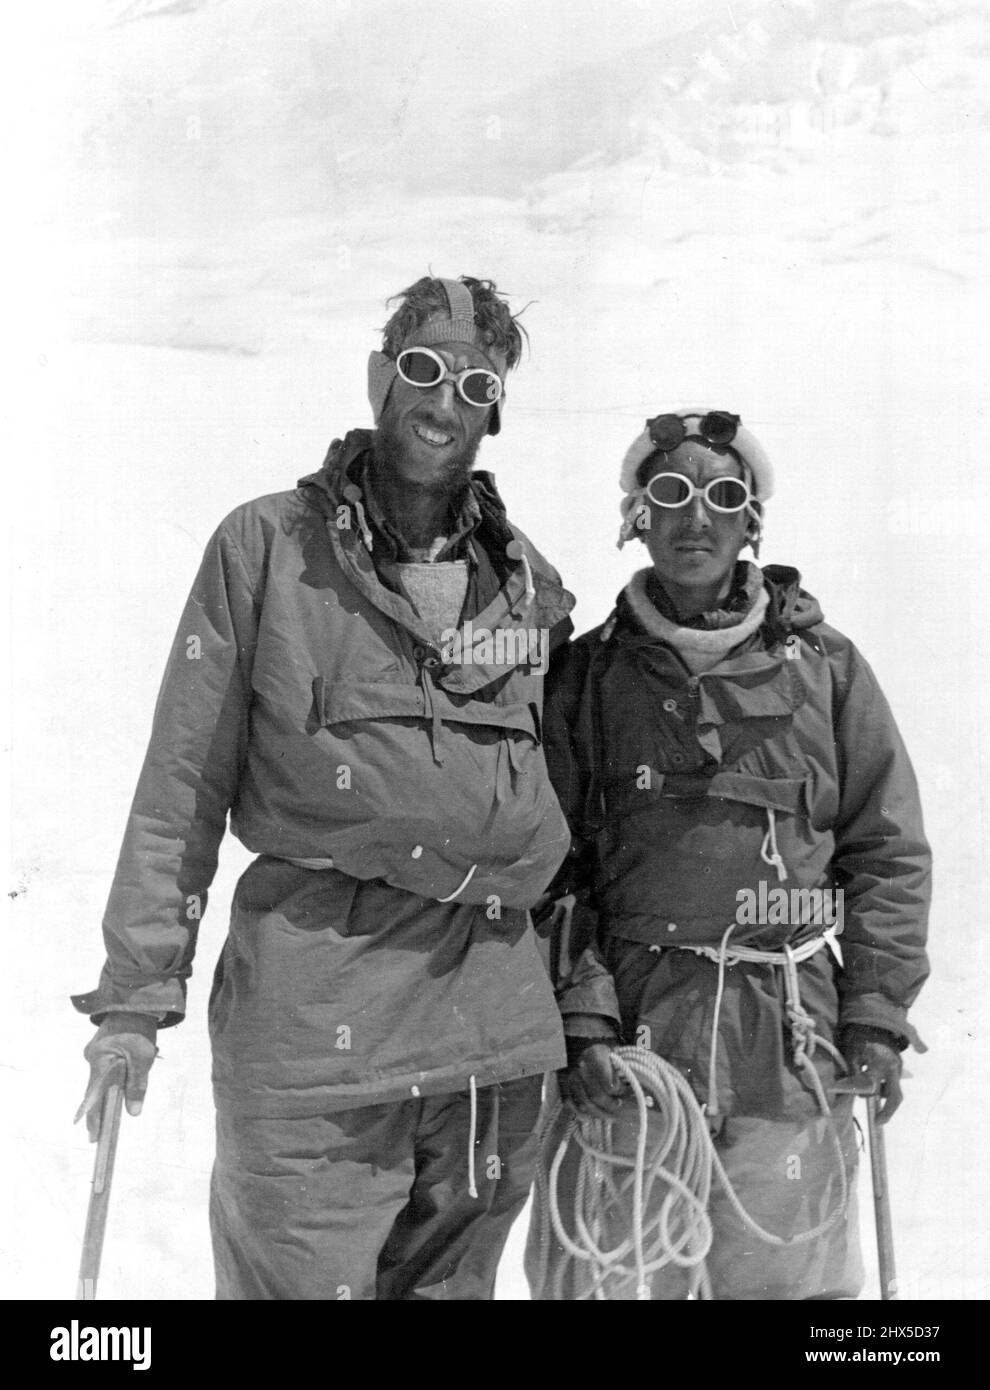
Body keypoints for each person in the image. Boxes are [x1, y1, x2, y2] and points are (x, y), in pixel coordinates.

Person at [74, 275, 576, 1301]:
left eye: (472, 383)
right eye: (423, 371)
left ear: (494, 410)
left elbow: (576, 823)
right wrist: (135, 998)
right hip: (315, 1045)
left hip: (490, 1052)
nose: (443, 402)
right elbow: (184, 777)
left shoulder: (534, 589)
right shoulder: (267, 550)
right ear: (379, 378)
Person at [526, 409, 930, 1300]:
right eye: (669, 493)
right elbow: (551, 865)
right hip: (636, 1030)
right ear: (638, 516)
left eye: (722, 496)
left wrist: (873, 1010)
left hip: (786, 1036)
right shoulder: (588, 678)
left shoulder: (827, 668)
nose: (694, 517)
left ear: (753, 521)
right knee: (618, 1276)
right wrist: (585, 1020)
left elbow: (886, 849)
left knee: (791, 1285)